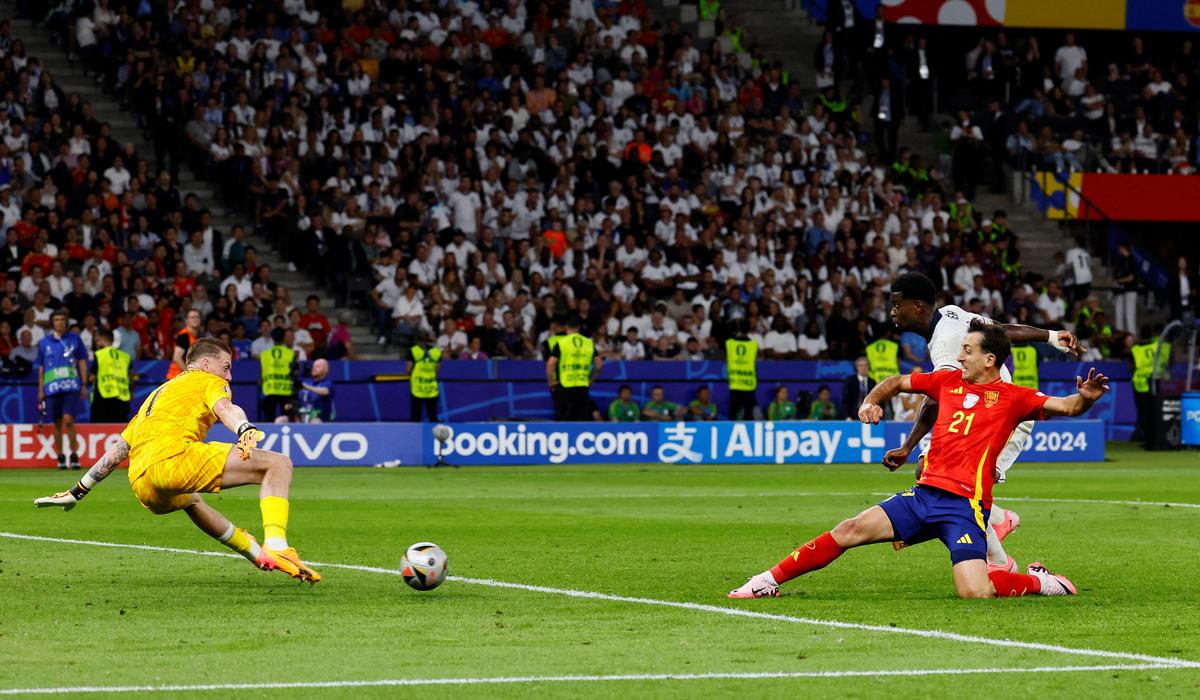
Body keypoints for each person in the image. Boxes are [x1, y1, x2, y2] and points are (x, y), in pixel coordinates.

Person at [729, 321, 1108, 599]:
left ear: (990, 359)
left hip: (965, 507)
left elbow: (1067, 406)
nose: (959, 356)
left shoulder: (1016, 397)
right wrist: (871, 401)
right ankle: (766, 581)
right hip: (923, 497)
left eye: (968, 351)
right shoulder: (947, 381)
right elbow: (895, 381)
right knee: (849, 529)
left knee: (975, 593)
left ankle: (1043, 582)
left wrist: (1086, 397)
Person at [34, 338, 321, 583]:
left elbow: (119, 450)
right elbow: (226, 408)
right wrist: (244, 428)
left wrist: (77, 491)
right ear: (206, 364)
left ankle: (257, 553)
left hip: (143, 483)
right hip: (174, 458)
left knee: (192, 501)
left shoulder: (157, 395)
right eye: (226, 367)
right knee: (279, 463)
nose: (229, 376)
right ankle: (278, 545)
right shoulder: (208, 380)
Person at [881, 273, 1081, 573]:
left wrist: (909, 446)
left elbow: (937, 399)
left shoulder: (947, 344)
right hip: (981, 417)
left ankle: (1001, 563)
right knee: (940, 475)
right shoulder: (950, 314)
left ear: (918, 306)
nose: (892, 311)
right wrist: (1050, 336)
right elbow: (998, 332)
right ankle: (999, 521)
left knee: (947, 479)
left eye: (897, 304)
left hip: (1002, 419)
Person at [36, 310, 89, 469]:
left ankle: (74, 455)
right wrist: (40, 389)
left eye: (62, 319)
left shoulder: (75, 339)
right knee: (57, 423)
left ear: (66, 322)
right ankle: (60, 456)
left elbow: (82, 361)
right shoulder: (44, 342)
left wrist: (84, 384)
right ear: (53, 323)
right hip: (52, 388)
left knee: (68, 420)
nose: (59, 322)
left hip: (71, 386)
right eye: (57, 319)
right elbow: (41, 366)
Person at [546, 314, 602, 421]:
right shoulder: (589, 343)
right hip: (582, 386)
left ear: (566, 327)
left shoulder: (561, 343)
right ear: (579, 327)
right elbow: (599, 364)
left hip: (564, 385)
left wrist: (550, 381)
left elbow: (550, 364)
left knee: (564, 419)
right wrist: (591, 379)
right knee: (580, 419)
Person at [90, 328, 132, 423]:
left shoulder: (99, 354)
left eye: (97, 340)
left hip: (102, 398)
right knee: (119, 429)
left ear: (101, 339)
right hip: (122, 398)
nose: (96, 344)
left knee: (99, 429)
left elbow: (92, 377)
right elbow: (130, 377)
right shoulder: (125, 356)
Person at [259, 328, 296, 423]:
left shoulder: (264, 355)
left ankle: (267, 436)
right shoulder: (291, 353)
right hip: (286, 390)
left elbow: (261, 374)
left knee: (269, 418)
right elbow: (294, 372)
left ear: (272, 338)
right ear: (284, 338)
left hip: (269, 390)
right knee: (287, 417)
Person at [725, 319, 758, 420]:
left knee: (733, 412)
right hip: (749, 382)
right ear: (749, 330)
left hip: (735, 382)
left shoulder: (730, 343)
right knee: (748, 413)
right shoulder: (754, 344)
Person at [407, 335, 441, 422]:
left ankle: (413, 434)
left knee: (416, 416)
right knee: (433, 416)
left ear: (418, 341)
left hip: (418, 388)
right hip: (431, 388)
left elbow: (408, 369)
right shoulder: (436, 352)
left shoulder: (413, 351)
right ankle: (435, 435)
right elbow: (437, 368)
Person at [166, 308, 202, 380]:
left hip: (183, 377)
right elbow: (176, 357)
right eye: (192, 317)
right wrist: (189, 372)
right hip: (176, 377)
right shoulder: (184, 336)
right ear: (186, 321)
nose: (195, 319)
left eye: (197, 317)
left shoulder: (197, 336)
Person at [297, 358, 334, 423]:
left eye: (318, 367)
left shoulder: (328, 383)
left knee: (315, 421)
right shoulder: (307, 381)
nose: (314, 368)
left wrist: (306, 387)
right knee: (281, 419)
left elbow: (325, 391)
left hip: (320, 419)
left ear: (326, 370)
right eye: (313, 366)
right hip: (302, 416)